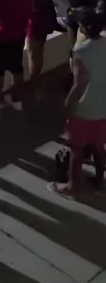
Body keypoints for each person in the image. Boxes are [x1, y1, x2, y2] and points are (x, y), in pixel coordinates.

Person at [50, 10, 106, 197]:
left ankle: (72, 186)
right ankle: (99, 180)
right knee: (99, 146)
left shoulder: (80, 52)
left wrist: (68, 108)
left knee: (76, 148)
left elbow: (79, 85)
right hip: (104, 106)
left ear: (83, 28)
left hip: (85, 108)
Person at [23, 0, 56, 89]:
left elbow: (32, 6)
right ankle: (36, 79)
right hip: (44, 18)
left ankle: (33, 82)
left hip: (34, 21)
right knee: (39, 51)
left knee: (32, 53)